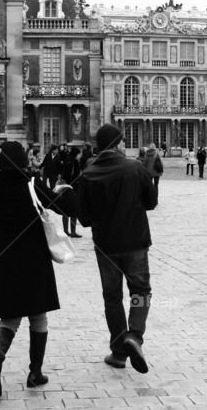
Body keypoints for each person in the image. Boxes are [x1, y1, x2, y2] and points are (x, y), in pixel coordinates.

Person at [55, 124, 158, 374]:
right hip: (135, 242)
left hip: (106, 245)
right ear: (118, 144)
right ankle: (134, 335)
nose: (124, 145)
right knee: (140, 290)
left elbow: (86, 219)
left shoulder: (89, 174)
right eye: (122, 141)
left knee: (112, 297)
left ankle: (119, 352)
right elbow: (151, 202)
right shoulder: (135, 167)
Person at [0, 141, 63, 396]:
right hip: (34, 258)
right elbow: (59, 205)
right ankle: (35, 373)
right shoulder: (31, 184)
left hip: (5, 260)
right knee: (38, 316)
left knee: (11, 317)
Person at [57, 146, 83, 238]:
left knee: (66, 210)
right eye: (79, 154)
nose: (80, 156)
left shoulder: (68, 161)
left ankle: (66, 231)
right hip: (72, 188)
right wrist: (80, 176)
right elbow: (72, 177)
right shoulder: (74, 163)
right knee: (73, 211)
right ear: (76, 154)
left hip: (66, 188)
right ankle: (72, 232)